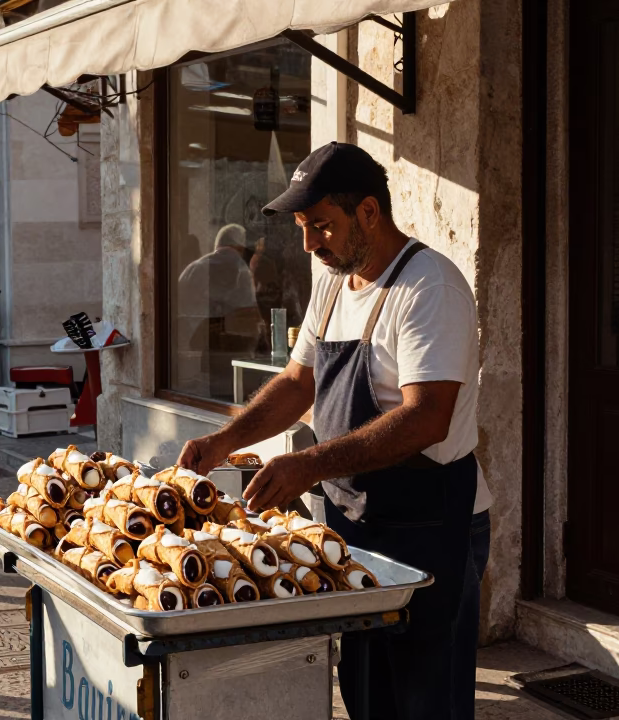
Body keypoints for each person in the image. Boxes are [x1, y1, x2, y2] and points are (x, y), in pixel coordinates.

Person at [176, 142, 492, 720]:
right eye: (302, 227)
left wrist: (309, 464)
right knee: (368, 688)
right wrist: (224, 442)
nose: (308, 244)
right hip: (353, 521)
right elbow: (298, 382)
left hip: (430, 523)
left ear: (368, 212)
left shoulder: (429, 288)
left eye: (320, 225)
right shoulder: (331, 282)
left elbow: (427, 417)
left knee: (426, 694)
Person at [176, 224, 265, 399]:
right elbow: (246, 314)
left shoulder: (192, 268)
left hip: (189, 357)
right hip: (227, 354)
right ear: (240, 247)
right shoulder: (240, 269)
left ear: (217, 244)